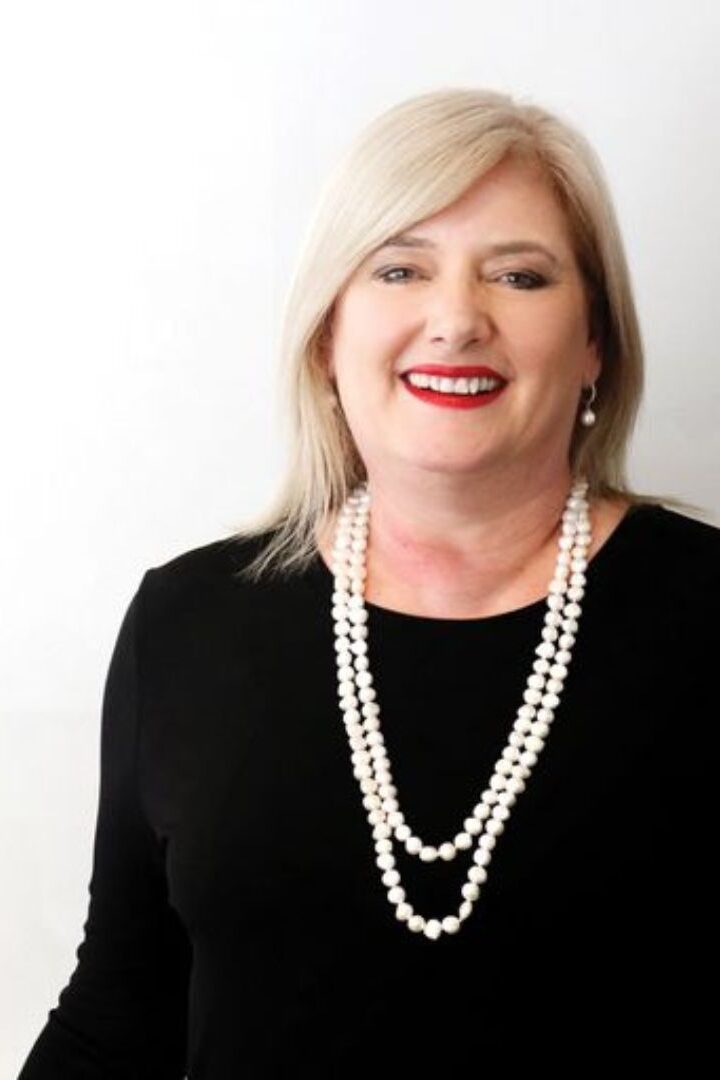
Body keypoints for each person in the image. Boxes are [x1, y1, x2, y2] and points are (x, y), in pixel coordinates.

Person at [18, 87, 719, 1077]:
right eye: (400, 269)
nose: (457, 320)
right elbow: (118, 1017)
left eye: (519, 276)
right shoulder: (188, 622)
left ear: (594, 341)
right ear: (326, 336)